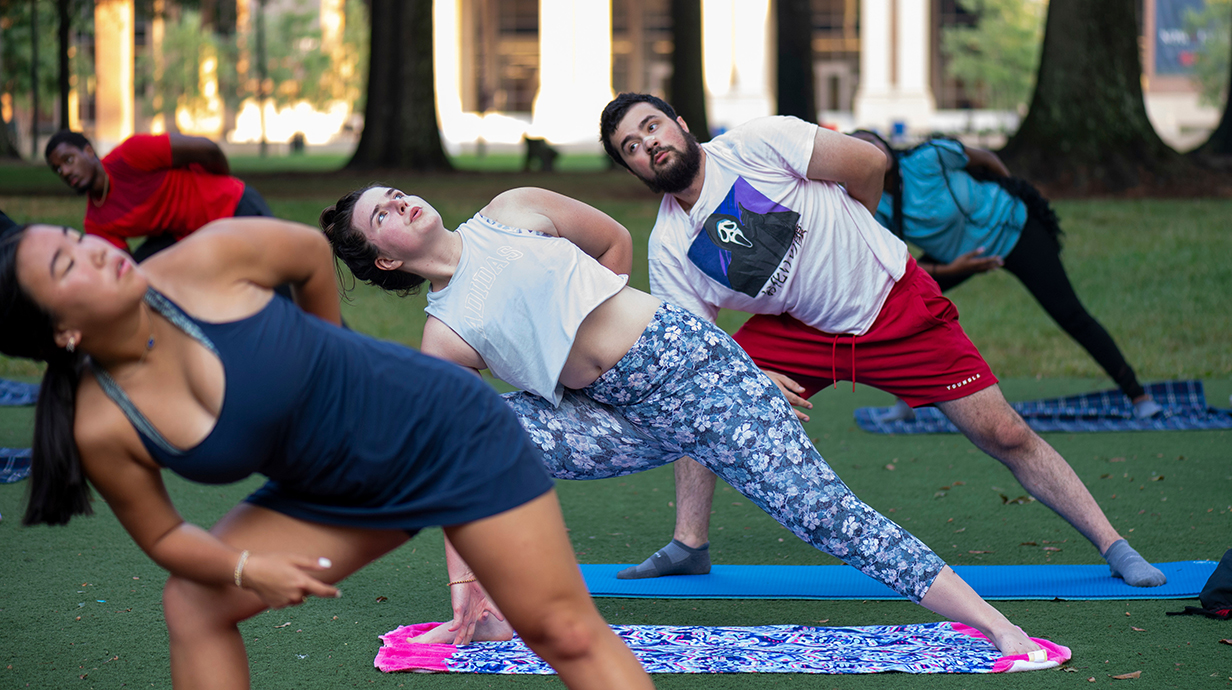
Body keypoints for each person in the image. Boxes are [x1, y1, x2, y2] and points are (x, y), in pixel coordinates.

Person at [319, 183, 1059, 663]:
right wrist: (461, 574)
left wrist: (634, 324)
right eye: (381, 215)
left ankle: (995, 625)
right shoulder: (445, 335)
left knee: (827, 517)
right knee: (470, 429)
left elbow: (611, 241)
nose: (400, 202)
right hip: (619, 417)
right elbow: (461, 453)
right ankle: (482, 610)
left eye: (394, 193)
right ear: (384, 259)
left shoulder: (513, 211)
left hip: (696, 373)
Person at [0, 219, 653, 690]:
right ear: (63, 331)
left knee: (562, 632)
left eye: (76, 237)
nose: (96, 250)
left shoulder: (201, 261)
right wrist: (247, 566)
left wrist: (328, 349)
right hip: (336, 493)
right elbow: (166, 534)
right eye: (66, 265)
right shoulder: (102, 421)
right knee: (193, 604)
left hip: (446, 431)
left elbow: (310, 252)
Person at [598, 92, 1165, 587]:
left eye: (651, 127)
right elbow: (701, 347)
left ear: (681, 125)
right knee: (709, 404)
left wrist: (863, 223)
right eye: (630, 147)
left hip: (893, 302)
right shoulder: (671, 245)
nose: (647, 145)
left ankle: (1115, 545)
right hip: (802, 330)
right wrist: (751, 378)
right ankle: (688, 544)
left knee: (1003, 431)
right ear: (635, 172)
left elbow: (870, 160)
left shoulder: (757, 145)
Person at [848, 129, 1160, 421]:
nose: (871, 149)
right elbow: (898, 262)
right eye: (859, 146)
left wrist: (1014, 192)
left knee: (1070, 314)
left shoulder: (931, 157)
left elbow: (986, 159)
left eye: (873, 140)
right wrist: (956, 269)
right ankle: (907, 400)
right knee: (902, 305)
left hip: (1014, 230)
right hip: (958, 257)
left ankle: (1139, 396)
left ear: (886, 145)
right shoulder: (875, 206)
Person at [44, 131, 273, 261]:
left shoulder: (131, 155)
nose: (65, 171)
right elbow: (127, 270)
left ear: (88, 151)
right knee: (145, 268)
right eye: (57, 169)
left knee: (280, 284)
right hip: (196, 239)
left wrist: (220, 183)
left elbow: (208, 149)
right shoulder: (97, 222)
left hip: (234, 207)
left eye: (68, 160)